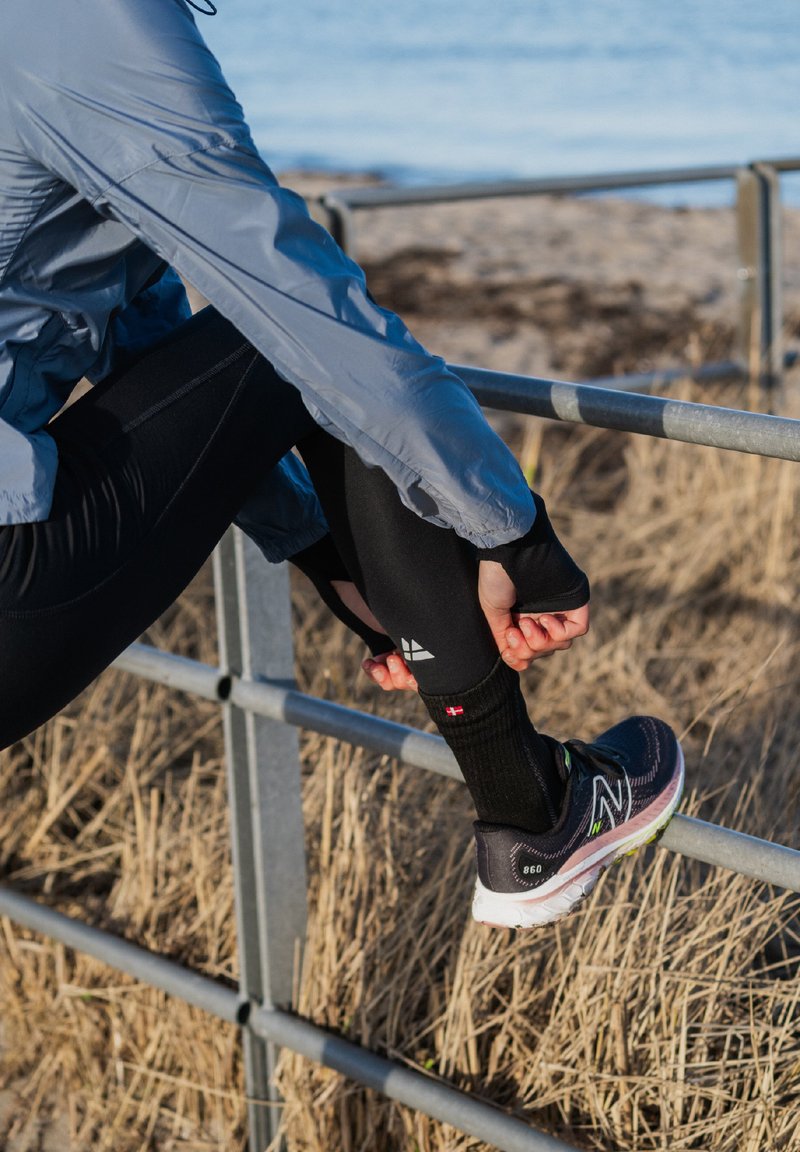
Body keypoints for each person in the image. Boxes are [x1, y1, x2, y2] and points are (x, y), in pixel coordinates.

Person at [0, 0, 682, 928]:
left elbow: (141, 337)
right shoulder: (87, 19)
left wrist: (323, 550)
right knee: (304, 337)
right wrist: (512, 529)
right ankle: (531, 814)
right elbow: (295, 306)